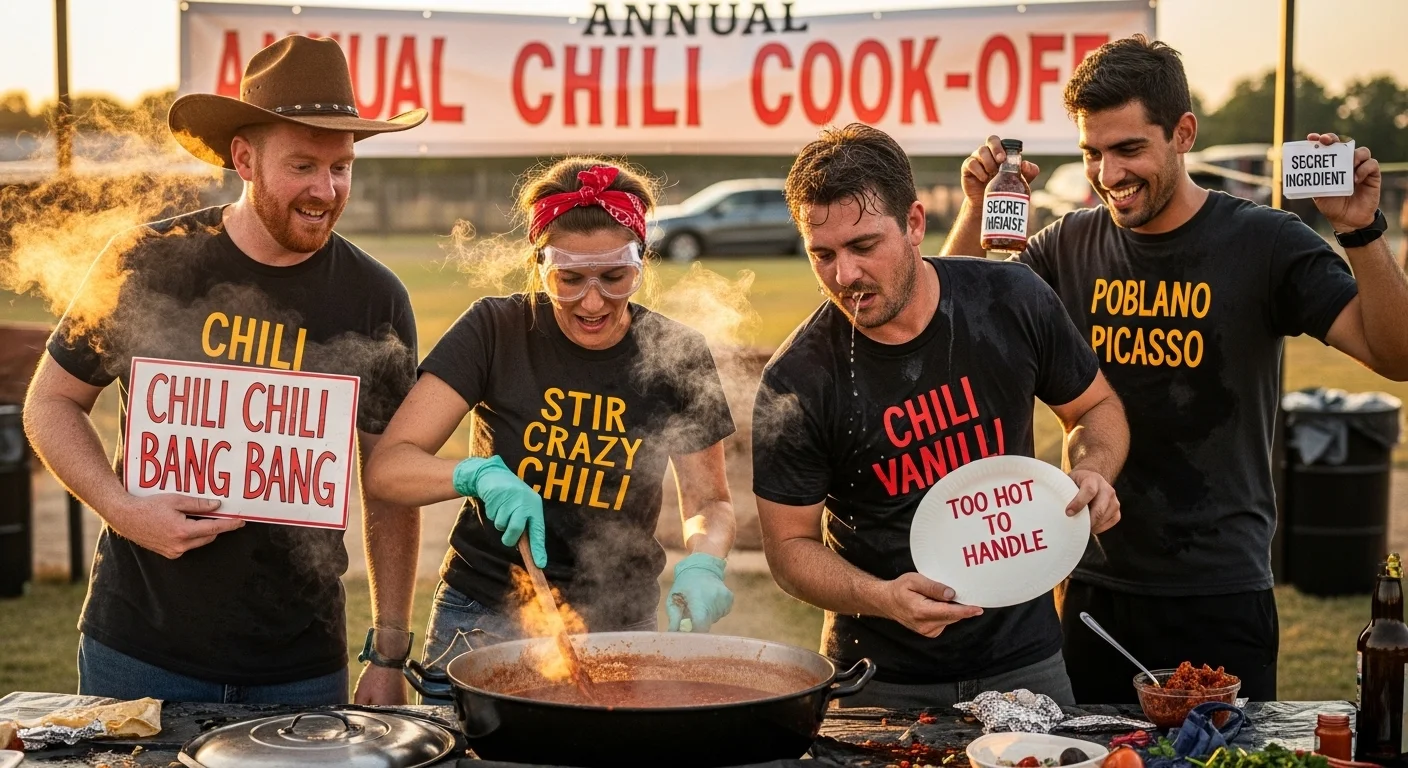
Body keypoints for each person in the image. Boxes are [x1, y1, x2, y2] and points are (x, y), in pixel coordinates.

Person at [942, 35, 1408, 703]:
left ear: (1183, 133)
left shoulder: (1264, 241)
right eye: (1091, 153)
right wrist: (974, 209)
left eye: (1128, 149)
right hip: (1093, 583)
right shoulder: (1066, 244)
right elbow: (963, 326)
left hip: (1220, 589)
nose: (1107, 173)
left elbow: (1395, 355)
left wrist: (1361, 231)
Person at [23, 36, 426, 705]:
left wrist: (389, 649)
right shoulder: (150, 260)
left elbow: (388, 482)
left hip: (301, 665)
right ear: (244, 157)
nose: (326, 191)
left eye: (342, 167)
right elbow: (51, 403)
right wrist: (123, 510)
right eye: (303, 165)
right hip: (139, 650)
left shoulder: (375, 297)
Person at [751, 123, 1129, 709]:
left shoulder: (1010, 299)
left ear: (915, 225)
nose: (845, 276)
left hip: (1025, 657)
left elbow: (1094, 408)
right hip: (878, 677)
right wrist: (880, 595)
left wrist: (1095, 467)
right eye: (822, 255)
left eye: (864, 246)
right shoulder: (797, 379)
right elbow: (789, 546)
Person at [364, 158, 738, 691]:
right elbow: (388, 469)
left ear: (641, 263)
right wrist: (474, 474)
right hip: (483, 616)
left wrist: (704, 563)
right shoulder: (495, 330)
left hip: (619, 622)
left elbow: (709, 504)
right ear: (540, 266)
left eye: (614, 277)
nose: (592, 302)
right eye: (569, 279)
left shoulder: (677, 354)